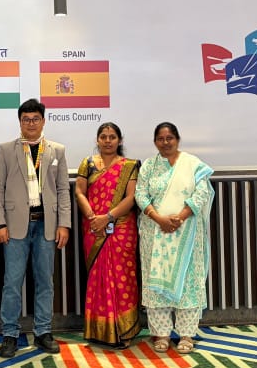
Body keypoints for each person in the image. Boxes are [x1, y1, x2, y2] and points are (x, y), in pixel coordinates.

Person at [0, 98, 71, 357]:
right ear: (20, 122)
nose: (31, 123)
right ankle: (10, 334)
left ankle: (43, 332)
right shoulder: (6, 150)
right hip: (14, 227)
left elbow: (63, 190)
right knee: (12, 282)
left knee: (45, 281)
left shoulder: (57, 150)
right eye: (26, 119)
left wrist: (64, 224)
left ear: (43, 121)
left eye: (36, 119)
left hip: (47, 225)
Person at [134, 122, 214, 354]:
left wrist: (181, 216)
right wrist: (159, 218)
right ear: (155, 142)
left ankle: (187, 335)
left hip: (187, 232)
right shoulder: (149, 166)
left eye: (169, 138)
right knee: (156, 282)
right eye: (160, 139)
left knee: (188, 283)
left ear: (177, 139)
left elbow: (202, 192)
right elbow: (140, 194)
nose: (165, 142)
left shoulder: (192, 164)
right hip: (155, 232)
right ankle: (161, 334)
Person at [74, 122, 140, 348]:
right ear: (97, 140)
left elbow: (131, 197)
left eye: (112, 137)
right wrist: (93, 217)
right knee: (98, 277)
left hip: (121, 228)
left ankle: (125, 330)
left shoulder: (129, 166)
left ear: (120, 140)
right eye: (103, 136)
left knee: (123, 277)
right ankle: (98, 330)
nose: (108, 141)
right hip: (94, 226)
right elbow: (80, 192)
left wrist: (108, 217)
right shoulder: (88, 163)